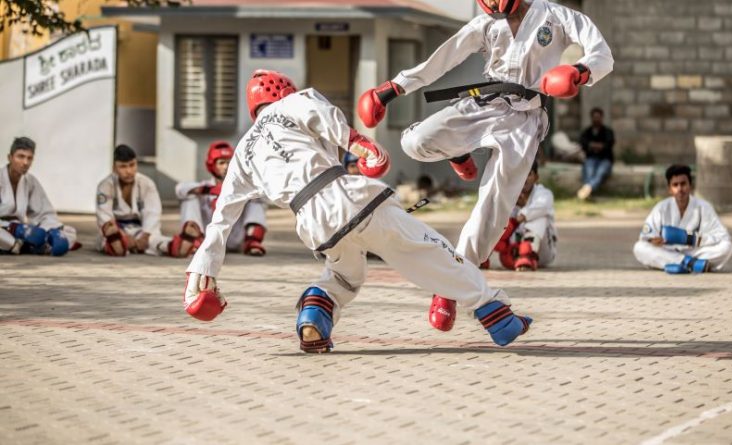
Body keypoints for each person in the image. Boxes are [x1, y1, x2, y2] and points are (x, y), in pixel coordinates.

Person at [182, 69, 533, 352]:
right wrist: (357, 142)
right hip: (343, 194)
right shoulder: (295, 102)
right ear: (283, 91)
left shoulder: (243, 151)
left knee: (345, 275)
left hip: (312, 222)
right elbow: (320, 114)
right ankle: (496, 314)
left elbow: (221, 218)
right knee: (427, 248)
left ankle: (314, 319)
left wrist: (203, 274)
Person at [356, 0, 613, 332]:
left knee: (491, 215)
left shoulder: (557, 16)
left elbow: (602, 52)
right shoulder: (485, 24)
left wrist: (580, 71)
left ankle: (448, 287)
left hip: (525, 121)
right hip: (483, 106)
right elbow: (443, 59)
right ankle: (457, 152)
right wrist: (393, 88)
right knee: (415, 141)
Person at [633, 165, 732, 274]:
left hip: (695, 251)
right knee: (639, 248)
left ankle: (681, 263)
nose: (680, 189)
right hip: (668, 251)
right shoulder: (661, 208)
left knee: (727, 247)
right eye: (675, 185)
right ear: (670, 189)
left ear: (690, 186)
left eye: (683, 184)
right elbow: (645, 237)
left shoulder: (704, 207)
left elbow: (723, 236)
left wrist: (690, 238)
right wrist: (653, 240)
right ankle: (690, 263)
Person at [175, 141, 268, 256]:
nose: (226, 166)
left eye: (229, 162)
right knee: (190, 198)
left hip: (234, 239)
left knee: (256, 201)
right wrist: (209, 190)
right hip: (207, 239)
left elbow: (264, 194)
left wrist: (245, 193)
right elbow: (180, 189)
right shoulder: (204, 187)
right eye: (221, 163)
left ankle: (253, 241)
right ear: (212, 165)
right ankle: (193, 240)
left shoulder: (242, 186)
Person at [96, 144, 184, 257]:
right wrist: (123, 236)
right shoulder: (105, 186)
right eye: (123, 167)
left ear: (136, 163)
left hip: (140, 229)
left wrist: (145, 236)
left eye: (132, 165)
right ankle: (117, 244)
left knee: (154, 239)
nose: (129, 171)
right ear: (114, 168)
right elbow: (104, 217)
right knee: (107, 239)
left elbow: (153, 212)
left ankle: (172, 246)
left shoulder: (147, 183)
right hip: (116, 230)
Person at [0, 137, 79, 255]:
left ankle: (25, 244)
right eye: (20, 156)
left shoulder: (30, 181)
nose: (25, 162)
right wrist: (12, 228)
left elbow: (44, 212)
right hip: (4, 230)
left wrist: (53, 231)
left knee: (68, 233)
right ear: (10, 157)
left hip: (22, 231)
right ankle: (23, 245)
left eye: (29, 158)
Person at [491, 161, 556, 271]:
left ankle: (527, 254)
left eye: (528, 174)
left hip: (542, 253)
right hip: (512, 252)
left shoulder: (544, 193)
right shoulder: (508, 196)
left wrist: (515, 221)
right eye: (520, 174)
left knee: (539, 216)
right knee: (494, 218)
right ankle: (481, 258)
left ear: (536, 177)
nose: (523, 178)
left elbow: (542, 207)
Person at [577, 107, 615, 200]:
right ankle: (588, 192)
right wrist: (597, 146)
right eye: (595, 117)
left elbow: (608, 144)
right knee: (589, 171)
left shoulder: (608, 132)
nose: (596, 119)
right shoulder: (587, 132)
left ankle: (587, 189)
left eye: (598, 117)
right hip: (591, 158)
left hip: (605, 159)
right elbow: (583, 143)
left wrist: (593, 145)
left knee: (600, 172)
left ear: (602, 118)